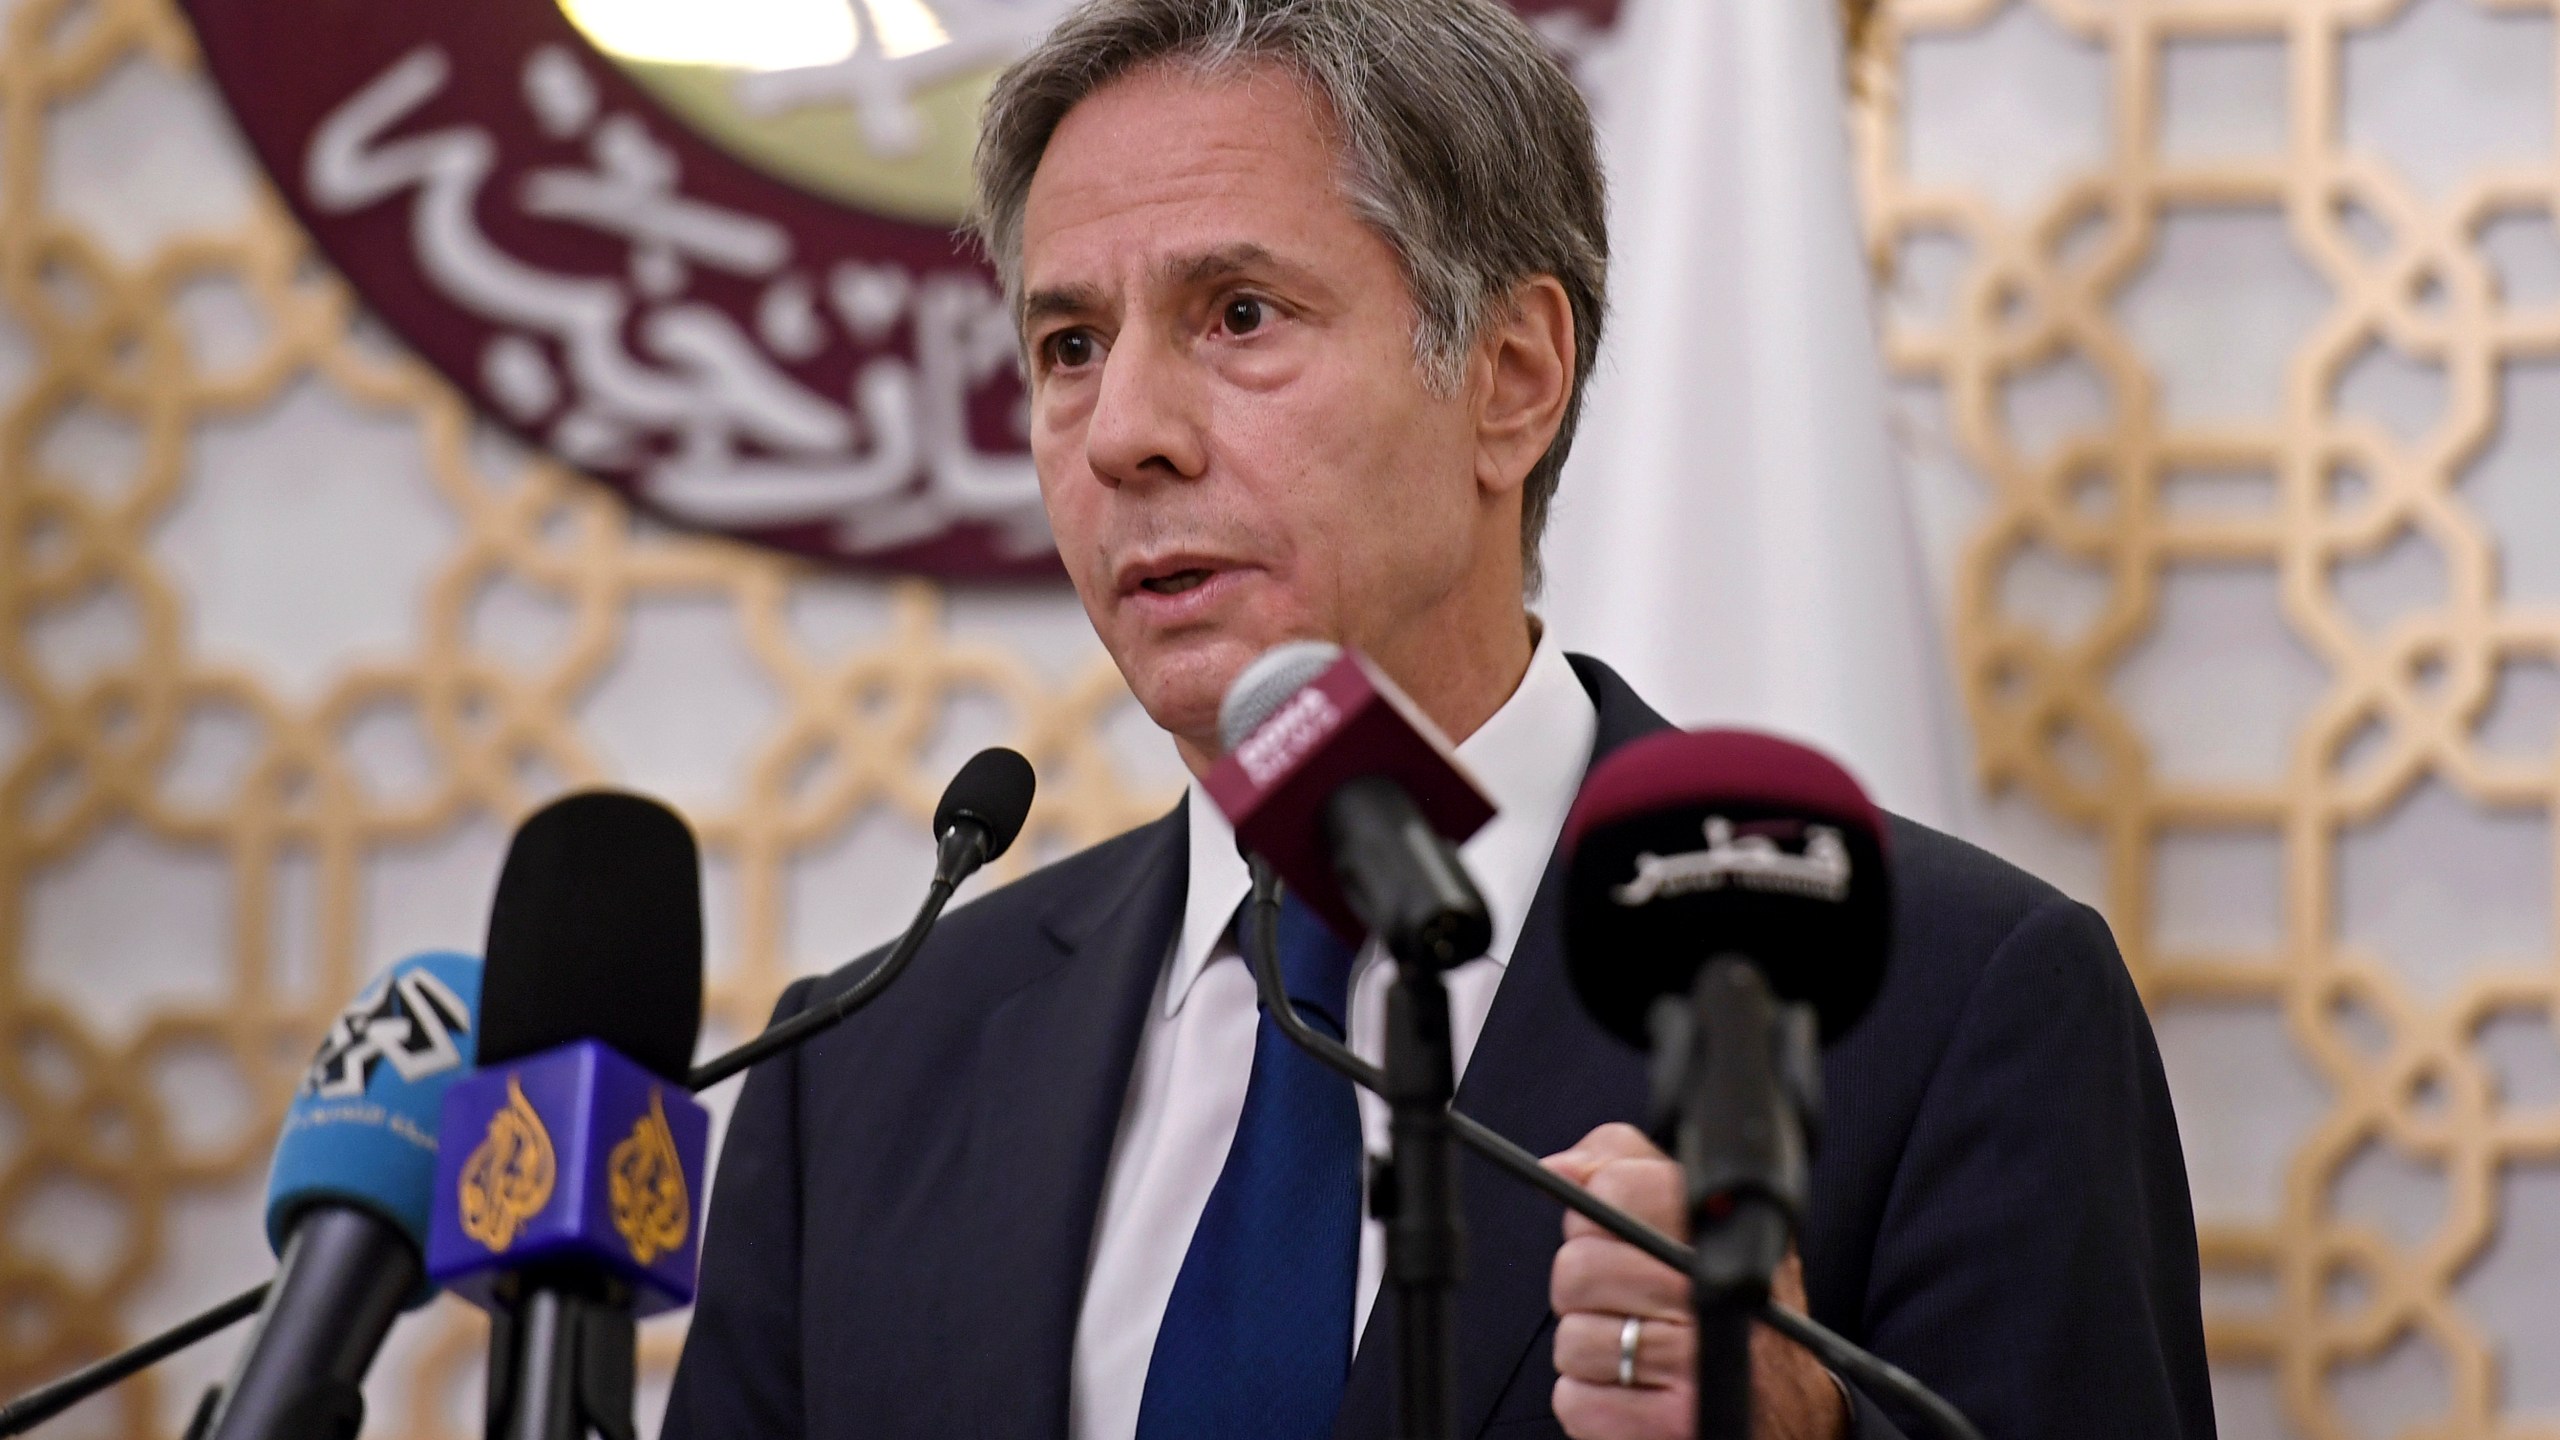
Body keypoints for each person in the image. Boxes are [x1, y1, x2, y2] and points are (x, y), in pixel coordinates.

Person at [663, 1, 2216, 1436]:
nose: (1123, 431)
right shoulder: (858, 1075)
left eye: (1241, 314)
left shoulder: (1948, 1004)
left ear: (1512, 378)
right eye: (1070, 345)